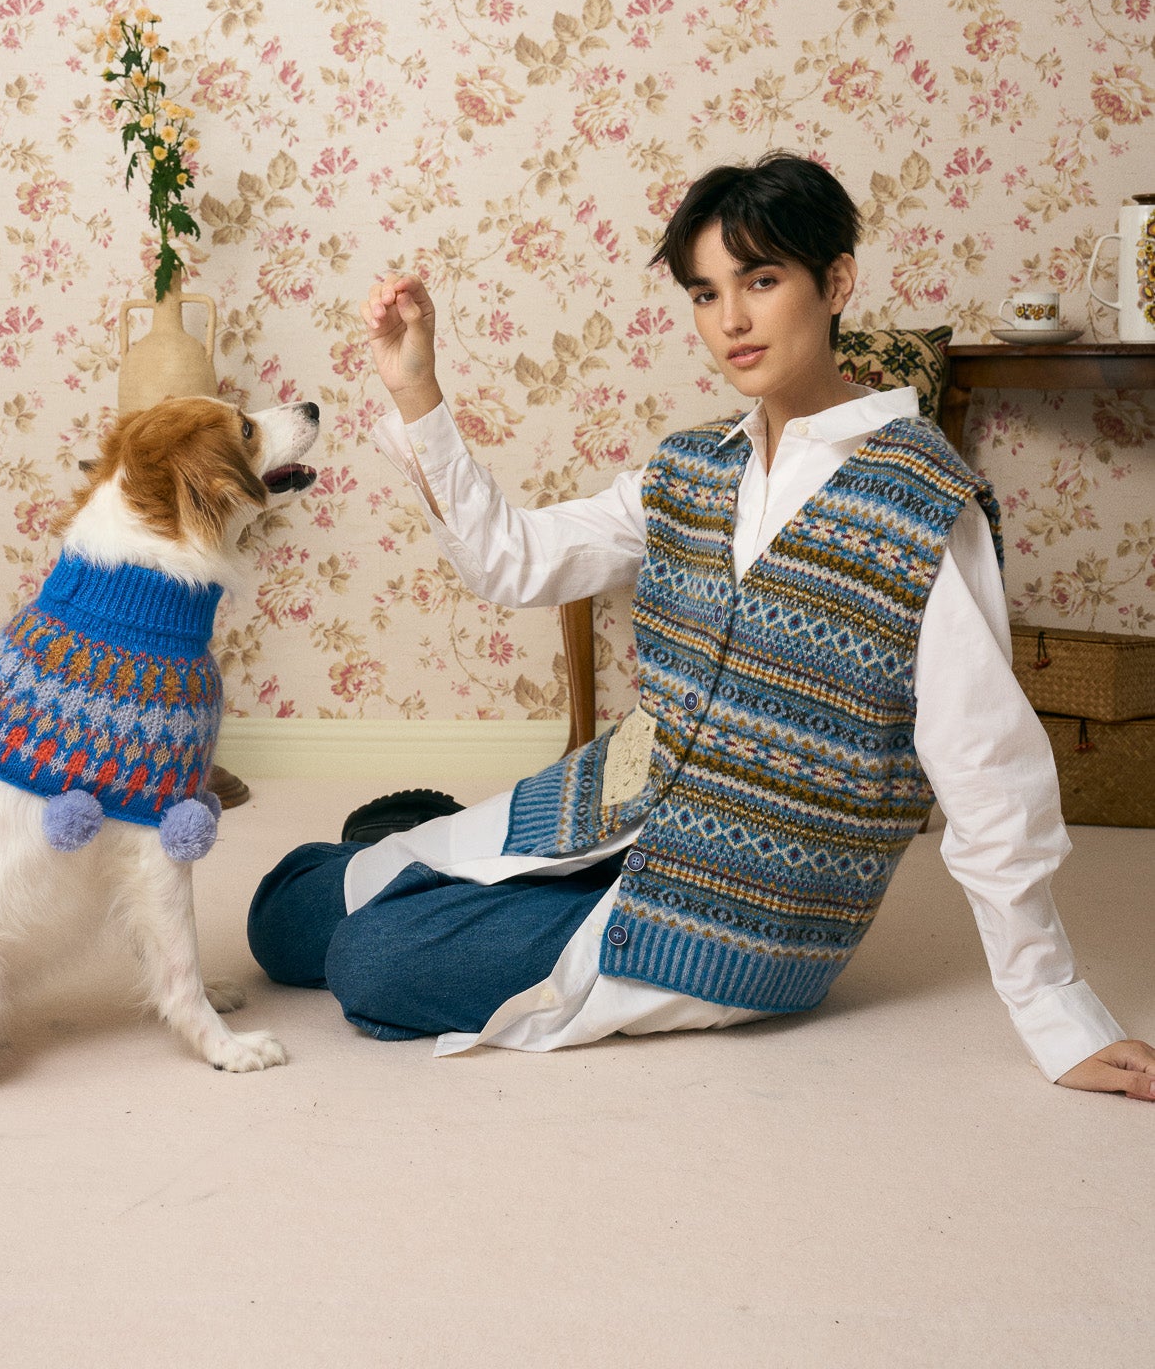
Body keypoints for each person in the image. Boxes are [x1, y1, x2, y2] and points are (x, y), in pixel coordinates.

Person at [248, 153, 1155, 1098]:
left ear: (835, 282)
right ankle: (425, 844)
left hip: (745, 909)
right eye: (704, 293)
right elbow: (509, 560)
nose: (730, 321)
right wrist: (416, 392)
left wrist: (1053, 1007)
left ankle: (421, 851)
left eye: (760, 281)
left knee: (372, 961)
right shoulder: (691, 468)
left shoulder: (922, 503)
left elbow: (986, 769)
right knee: (283, 915)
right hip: (619, 807)